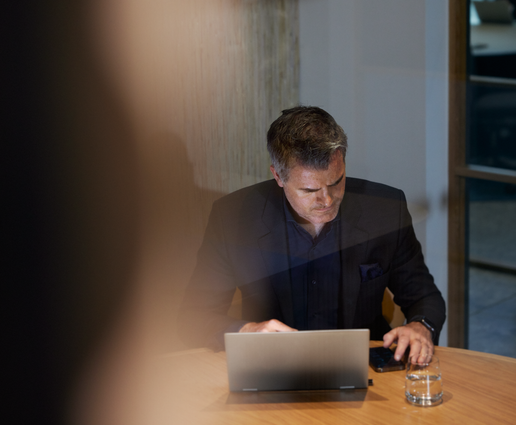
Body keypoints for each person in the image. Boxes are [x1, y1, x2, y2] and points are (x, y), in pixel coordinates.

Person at [178, 106, 445, 364]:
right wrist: (247, 332)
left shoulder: (385, 210)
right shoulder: (233, 218)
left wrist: (421, 326)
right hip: (271, 366)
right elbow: (193, 317)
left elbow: (425, 298)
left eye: (336, 181)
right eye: (309, 190)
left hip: (363, 366)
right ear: (278, 176)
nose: (326, 200)